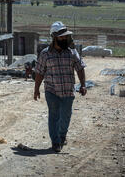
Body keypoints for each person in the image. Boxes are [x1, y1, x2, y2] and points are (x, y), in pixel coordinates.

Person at [34, 21, 87, 153]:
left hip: (68, 91)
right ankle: (55, 142)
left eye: (65, 36)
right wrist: (36, 90)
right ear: (54, 37)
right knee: (54, 115)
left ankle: (62, 135)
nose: (64, 38)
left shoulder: (72, 53)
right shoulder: (45, 54)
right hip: (51, 90)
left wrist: (83, 85)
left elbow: (80, 68)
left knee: (66, 115)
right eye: (61, 36)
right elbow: (39, 72)